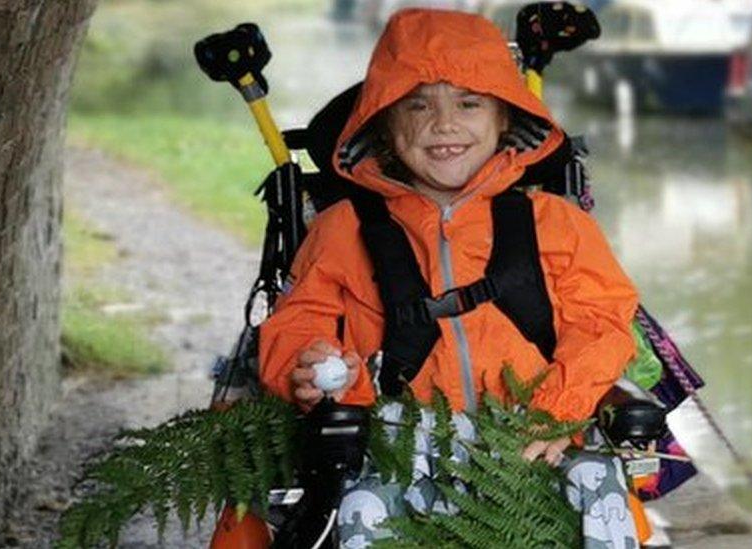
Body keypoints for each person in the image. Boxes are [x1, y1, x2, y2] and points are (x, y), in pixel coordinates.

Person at [259, 8, 640, 547]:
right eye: (417, 106)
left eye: (469, 103)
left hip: (528, 439)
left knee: (599, 479)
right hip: (399, 444)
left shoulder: (556, 223)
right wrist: (313, 365)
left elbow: (603, 324)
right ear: (386, 126)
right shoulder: (342, 230)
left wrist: (556, 410)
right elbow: (295, 326)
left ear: (505, 117)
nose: (444, 124)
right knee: (360, 504)